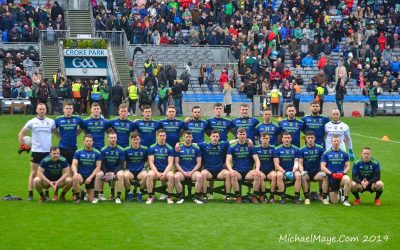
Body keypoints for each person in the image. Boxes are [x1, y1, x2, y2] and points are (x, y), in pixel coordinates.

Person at [18, 103, 58, 201]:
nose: (42, 111)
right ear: (36, 110)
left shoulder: (51, 122)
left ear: (46, 110)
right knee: (33, 173)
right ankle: (30, 194)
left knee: (47, 173)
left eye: (43, 109)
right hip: (36, 152)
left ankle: (47, 193)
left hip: (48, 152)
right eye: (40, 109)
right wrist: (23, 146)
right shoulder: (32, 122)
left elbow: (57, 134)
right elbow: (21, 134)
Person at [225, 128, 261, 204]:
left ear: (246, 135)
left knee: (257, 175)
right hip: (237, 171)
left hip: (248, 171)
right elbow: (228, 161)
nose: (242, 136)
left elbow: (257, 160)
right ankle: (238, 197)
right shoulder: (232, 146)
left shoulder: (250, 146)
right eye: (240, 134)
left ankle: (254, 197)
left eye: (243, 134)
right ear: (237, 135)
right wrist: (231, 170)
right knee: (233, 175)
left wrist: (257, 169)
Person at [198, 130, 232, 201]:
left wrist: (247, 140)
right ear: (210, 137)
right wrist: (178, 144)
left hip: (219, 172)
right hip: (208, 172)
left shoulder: (222, 144)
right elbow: (192, 144)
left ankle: (227, 195)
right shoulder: (204, 145)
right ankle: (204, 195)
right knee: (203, 174)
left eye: (217, 136)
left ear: (219, 137)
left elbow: (233, 141)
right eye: (213, 136)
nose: (215, 138)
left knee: (228, 174)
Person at [93, 132, 125, 204]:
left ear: (116, 139)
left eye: (114, 138)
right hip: (106, 170)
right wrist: (106, 172)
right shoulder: (103, 150)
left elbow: (121, 165)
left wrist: (114, 173)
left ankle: (118, 197)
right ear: (108, 139)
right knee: (98, 175)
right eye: (111, 138)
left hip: (116, 170)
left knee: (121, 175)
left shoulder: (121, 150)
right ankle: (96, 197)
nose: (113, 139)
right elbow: (102, 164)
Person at [321, 135, 352, 206]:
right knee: (334, 201)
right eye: (334, 141)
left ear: (340, 142)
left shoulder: (344, 153)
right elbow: (322, 167)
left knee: (347, 179)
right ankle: (340, 192)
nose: (336, 142)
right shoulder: (326, 153)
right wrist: (331, 174)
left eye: (338, 141)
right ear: (331, 142)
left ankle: (346, 200)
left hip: (341, 177)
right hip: (331, 177)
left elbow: (348, 166)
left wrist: (343, 173)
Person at [146, 129, 175, 204]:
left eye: (164, 136)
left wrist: (164, 173)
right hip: (155, 170)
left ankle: (169, 197)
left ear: (166, 137)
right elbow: (151, 163)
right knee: (149, 175)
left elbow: (170, 163)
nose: (162, 137)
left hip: (166, 170)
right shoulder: (152, 147)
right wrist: (157, 173)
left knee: (171, 176)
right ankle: (150, 196)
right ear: (157, 136)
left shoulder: (170, 148)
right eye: (160, 135)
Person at [174, 131, 204, 204]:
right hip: (182, 172)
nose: (188, 138)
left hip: (193, 172)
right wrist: (183, 172)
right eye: (186, 137)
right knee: (176, 177)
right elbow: (176, 163)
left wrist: (192, 172)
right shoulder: (179, 148)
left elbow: (199, 163)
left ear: (192, 138)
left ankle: (197, 197)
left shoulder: (196, 148)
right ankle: (180, 197)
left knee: (199, 176)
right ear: (184, 138)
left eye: (190, 137)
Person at [71, 134, 102, 203]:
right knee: (75, 178)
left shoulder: (97, 153)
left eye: (90, 141)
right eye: (87, 141)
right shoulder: (78, 152)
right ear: (84, 142)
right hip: (81, 176)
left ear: (92, 142)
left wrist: (90, 178)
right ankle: (78, 197)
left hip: (91, 177)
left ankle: (84, 193)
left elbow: (98, 167)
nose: (89, 142)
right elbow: (73, 164)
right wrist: (76, 173)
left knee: (91, 200)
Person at [298, 131, 327, 205]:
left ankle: (323, 197)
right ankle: (307, 197)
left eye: (312, 138)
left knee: (324, 176)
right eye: (309, 138)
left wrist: (322, 170)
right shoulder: (302, 149)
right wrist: (302, 171)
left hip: (317, 172)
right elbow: (300, 163)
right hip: (307, 172)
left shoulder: (320, 148)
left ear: (315, 138)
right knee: (303, 176)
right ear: (306, 139)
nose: (310, 139)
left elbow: (323, 161)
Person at [273, 132, 302, 204]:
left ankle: (297, 197)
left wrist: (293, 172)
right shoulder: (277, 149)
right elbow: (276, 164)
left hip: (293, 170)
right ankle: (282, 197)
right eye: (285, 138)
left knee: (298, 175)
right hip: (282, 170)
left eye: (288, 138)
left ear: (291, 139)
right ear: (282, 139)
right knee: (279, 175)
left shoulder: (296, 149)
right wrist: (284, 173)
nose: (287, 139)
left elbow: (296, 162)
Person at [123, 132, 148, 202]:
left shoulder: (145, 149)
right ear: (131, 140)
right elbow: (124, 162)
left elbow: (148, 161)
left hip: (140, 172)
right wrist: (125, 169)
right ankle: (129, 193)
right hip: (130, 172)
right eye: (134, 139)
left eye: (137, 139)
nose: (136, 141)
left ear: (140, 140)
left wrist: (145, 168)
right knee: (125, 175)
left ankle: (140, 193)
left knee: (145, 175)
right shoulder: (126, 150)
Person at [254, 132, 277, 203]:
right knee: (259, 175)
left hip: (270, 170)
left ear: (269, 139)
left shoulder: (273, 148)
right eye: (263, 138)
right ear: (260, 139)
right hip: (261, 170)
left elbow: (276, 161)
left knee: (274, 176)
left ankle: (272, 196)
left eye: (267, 138)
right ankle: (264, 195)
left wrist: (275, 170)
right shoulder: (256, 148)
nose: (265, 140)